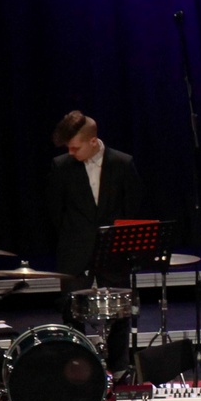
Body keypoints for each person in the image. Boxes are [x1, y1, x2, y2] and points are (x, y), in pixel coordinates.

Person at [47, 109, 145, 288]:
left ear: (92, 141)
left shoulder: (122, 163)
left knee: (118, 312)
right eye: (68, 147)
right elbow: (56, 211)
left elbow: (132, 208)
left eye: (75, 148)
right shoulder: (61, 167)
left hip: (113, 253)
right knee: (72, 311)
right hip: (74, 254)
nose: (70, 152)